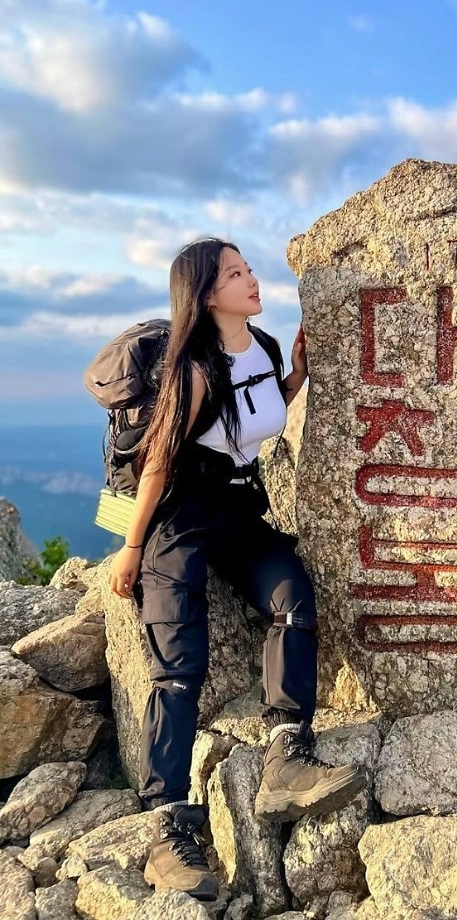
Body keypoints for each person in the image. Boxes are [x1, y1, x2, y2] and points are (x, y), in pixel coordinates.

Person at [108, 237, 365, 901]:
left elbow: (248, 420)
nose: (251, 279)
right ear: (205, 294)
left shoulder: (270, 347)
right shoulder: (192, 371)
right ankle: (168, 828)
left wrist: (297, 378)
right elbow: (161, 460)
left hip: (237, 507)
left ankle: (286, 755)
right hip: (179, 513)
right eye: (234, 273)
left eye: (248, 268)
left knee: (292, 598)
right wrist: (133, 549)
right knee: (179, 662)